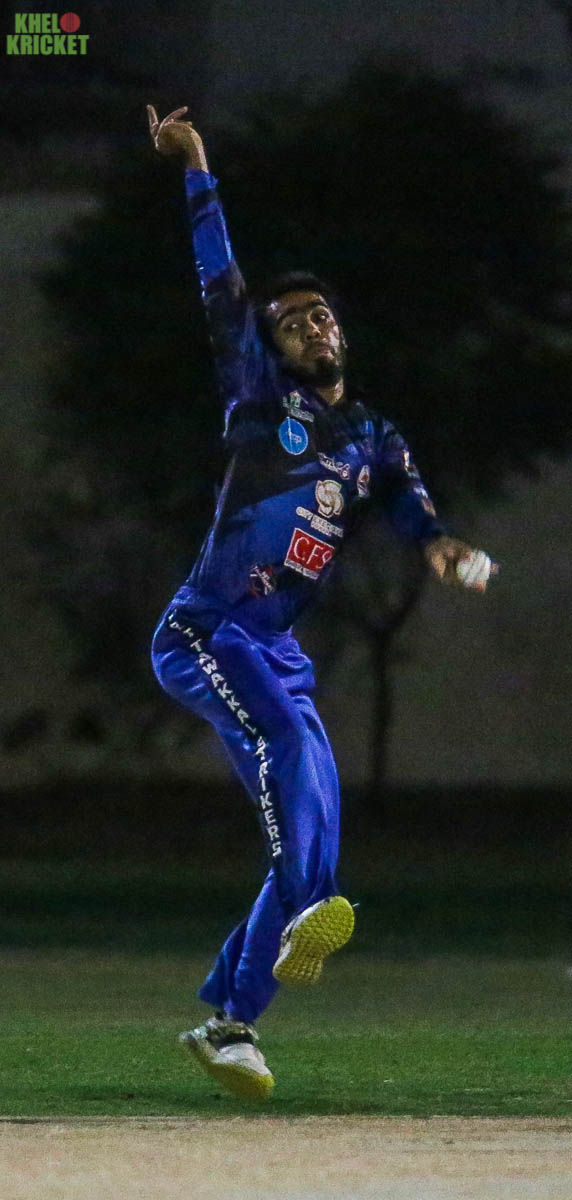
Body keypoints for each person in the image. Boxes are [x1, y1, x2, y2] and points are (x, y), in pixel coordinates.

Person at [147, 104, 497, 1102]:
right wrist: (196, 166)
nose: (310, 323)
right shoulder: (260, 400)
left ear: (342, 333)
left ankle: (228, 1023)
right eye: (291, 319)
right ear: (272, 347)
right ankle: (306, 906)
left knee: (315, 829)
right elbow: (222, 285)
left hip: (274, 650)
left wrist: (440, 548)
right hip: (207, 630)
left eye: (321, 315)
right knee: (293, 770)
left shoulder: (373, 436)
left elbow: (413, 506)